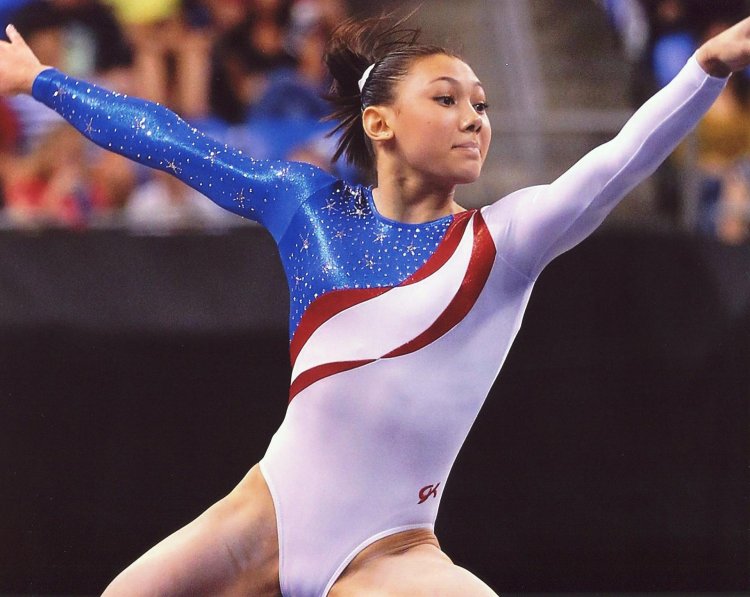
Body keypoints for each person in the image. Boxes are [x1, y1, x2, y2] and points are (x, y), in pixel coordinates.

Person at [0, 11, 749, 597]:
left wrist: (704, 67)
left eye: (481, 105)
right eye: (447, 99)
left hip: (388, 551)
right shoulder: (308, 206)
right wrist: (42, 81)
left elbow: (617, 163)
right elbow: (174, 144)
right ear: (379, 122)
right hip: (262, 515)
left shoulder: (503, 241)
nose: (474, 118)